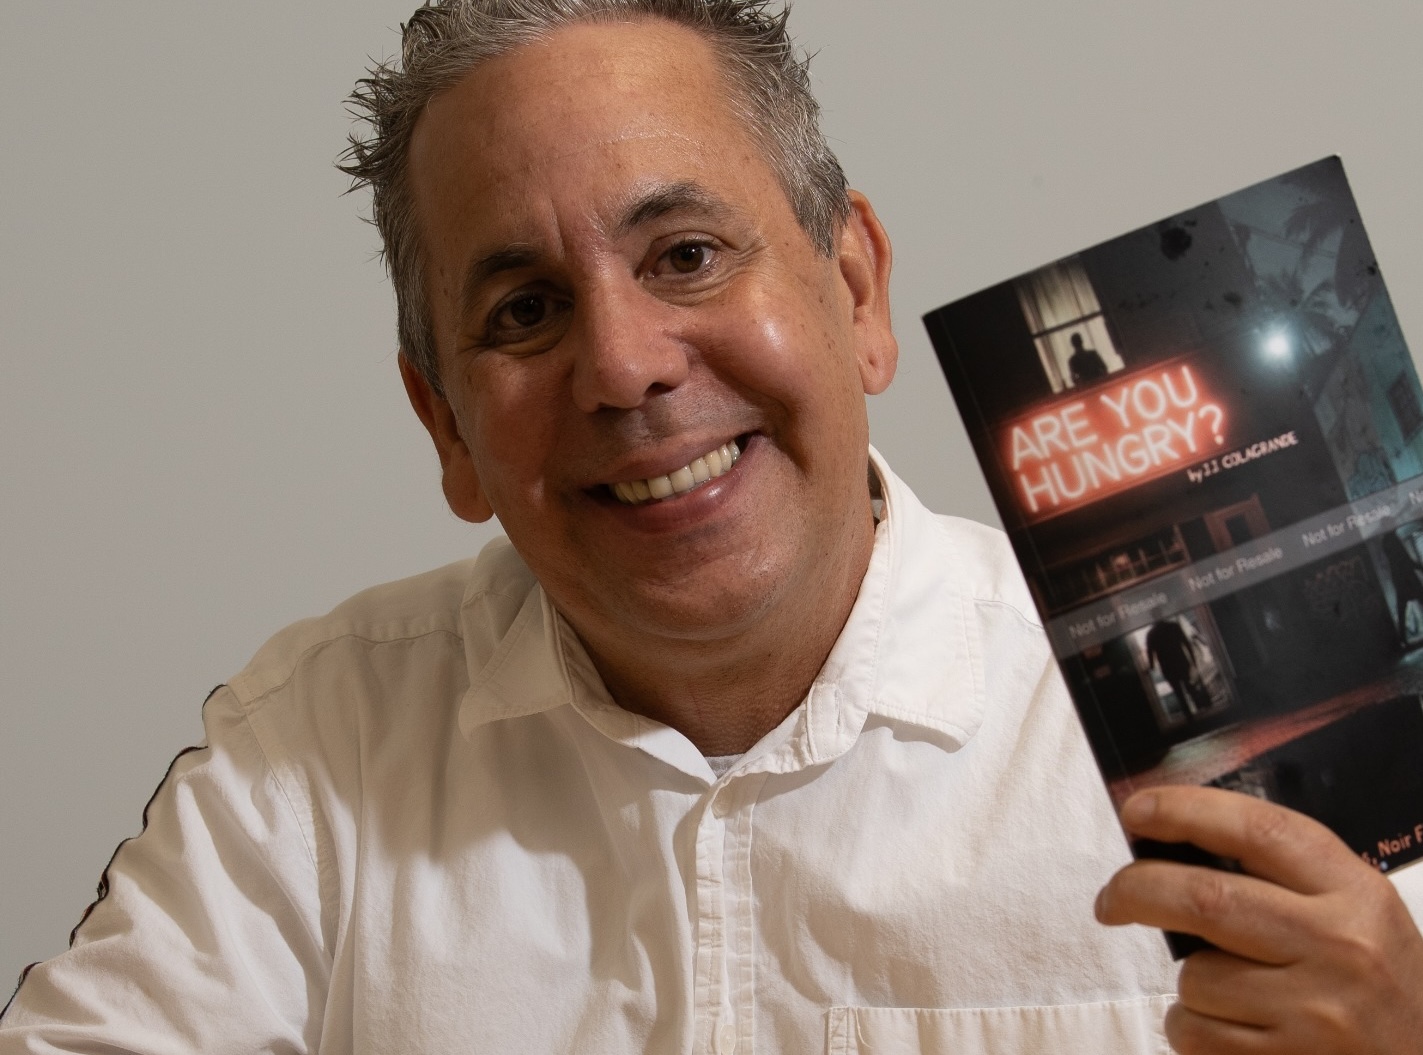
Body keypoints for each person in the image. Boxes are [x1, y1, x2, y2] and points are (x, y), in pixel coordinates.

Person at [4, 2, 1422, 1052]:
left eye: (684, 254)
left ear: (853, 290)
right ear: (445, 426)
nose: (622, 366)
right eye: (523, 310)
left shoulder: (1279, 767)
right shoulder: (313, 749)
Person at [1145, 618, 1213, 717]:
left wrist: (1151, 667)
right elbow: (1186, 643)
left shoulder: (1151, 634)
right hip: (1181, 663)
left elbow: (1150, 653)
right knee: (1191, 688)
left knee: (1179, 694)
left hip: (1167, 667)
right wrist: (1193, 661)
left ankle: (1189, 717)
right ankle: (1202, 711)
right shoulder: (1173, 626)